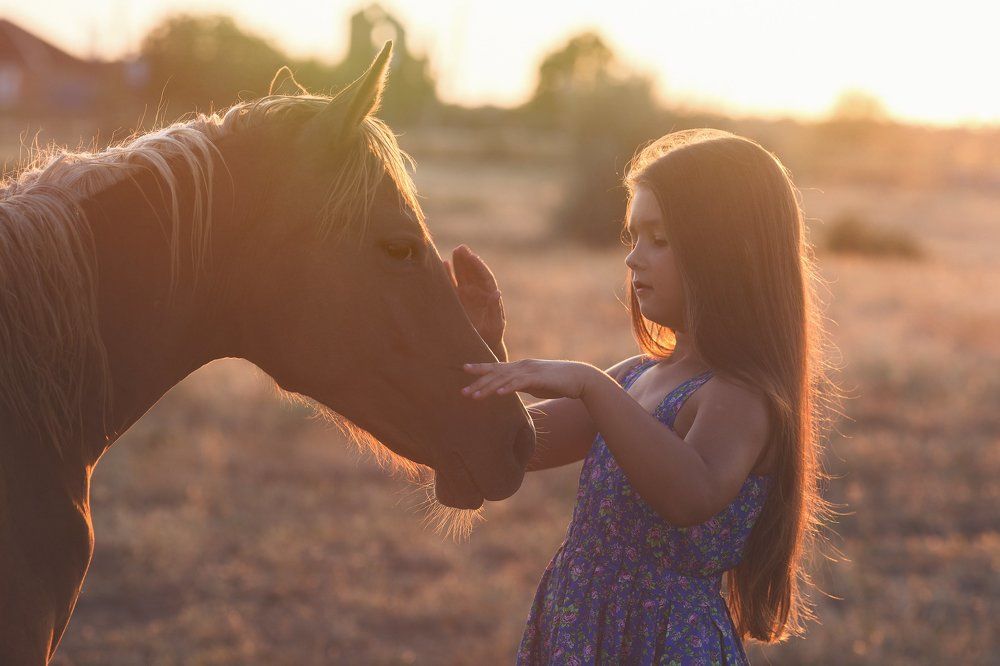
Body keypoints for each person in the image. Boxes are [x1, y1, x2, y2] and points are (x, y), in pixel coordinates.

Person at [444, 128, 835, 664]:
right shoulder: (636, 378)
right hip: (583, 630)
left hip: (665, 645)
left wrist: (591, 384)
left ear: (731, 252)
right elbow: (512, 446)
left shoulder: (739, 397)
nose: (633, 259)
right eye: (633, 237)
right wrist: (484, 347)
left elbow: (690, 495)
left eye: (659, 239)